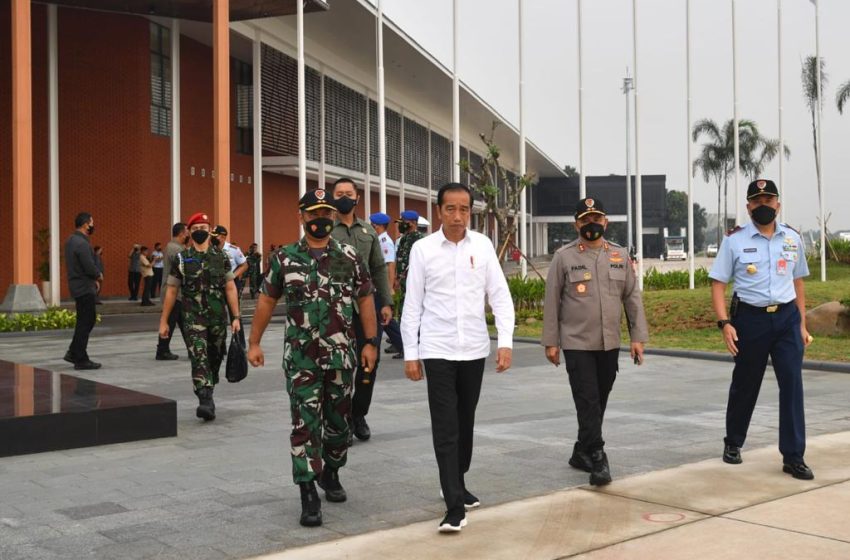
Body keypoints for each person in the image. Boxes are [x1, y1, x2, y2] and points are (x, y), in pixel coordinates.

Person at [247, 189, 378, 528]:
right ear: (301, 216)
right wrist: (254, 342)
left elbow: (365, 300)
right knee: (305, 426)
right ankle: (307, 492)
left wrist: (371, 343)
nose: (321, 219)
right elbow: (265, 301)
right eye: (314, 213)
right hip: (302, 360)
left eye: (326, 213)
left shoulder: (349, 256)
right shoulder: (284, 259)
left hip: (340, 358)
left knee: (338, 426)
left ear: (333, 217)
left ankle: (331, 472)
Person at [401, 182, 514, 533]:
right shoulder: (422, 249)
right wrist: (411, 353)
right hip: (437, 349)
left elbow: (500, 295)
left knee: (465, 423)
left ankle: (457, 481)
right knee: (446, 427)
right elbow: (412, 303)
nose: (457, 215)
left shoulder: (481, 246)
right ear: (439, 211)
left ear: (470, 212)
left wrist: (506, 342)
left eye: (464, 209)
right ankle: (453, 506)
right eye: (450, 208)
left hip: (474, 349)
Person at [709, 179, 814, 480]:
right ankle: (733, 442)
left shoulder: (792, 239)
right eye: (757, 201)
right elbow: (718, 283)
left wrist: (802, 324)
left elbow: (798, 283)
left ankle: (794, 456)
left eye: (769, 200)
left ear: (778, 204)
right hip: (750, 320)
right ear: (748, 207)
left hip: (786, 320)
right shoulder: (735, 240)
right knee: (746, 382)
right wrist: (724, 323)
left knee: (792, 385)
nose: (763, 206)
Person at [541, 197, 649, 486]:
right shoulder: (563, 257)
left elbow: (632, 298)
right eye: (585, 220)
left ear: (606, 221)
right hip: (576, 342)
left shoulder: (619, 255)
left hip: (609, 342)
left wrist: (637, 337)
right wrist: (551, 341)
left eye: (596, 219)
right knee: (587, 398)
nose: (592, 225)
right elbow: (551, 301)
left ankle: (581, 449)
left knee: (598, 399)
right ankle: (598, 456)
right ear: (576, 224)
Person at [158, 212, 241, 421]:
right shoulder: (182, 259)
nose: (200, 233)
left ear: (210, 230)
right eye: (195, 230)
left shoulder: (220, 257)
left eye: (203, 229)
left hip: (217, 318)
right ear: (189, 232)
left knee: (214, 356)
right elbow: (171, 290)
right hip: (192, 318)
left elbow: (230, 288)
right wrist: (164, 321)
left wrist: (236, 317)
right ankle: (205, 398)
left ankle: (209, 388)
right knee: (198, 356)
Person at [330, 178, 393, 443]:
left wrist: (387, 302)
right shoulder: (325, 230)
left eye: (349, 193)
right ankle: (339, 421)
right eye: (339, 193)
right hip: (334, 308)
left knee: (370, 362)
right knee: (337, 366)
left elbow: (378, 268)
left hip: (366, 306)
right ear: (333, 198)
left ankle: (358, 413)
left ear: (357, 198)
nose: (344, 197)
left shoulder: (368, 232)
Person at [63, 212, 103, 370]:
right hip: (84, 287)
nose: (93, 225)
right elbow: (87, 264)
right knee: (86, 321)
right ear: (86, 224)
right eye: (92, 222)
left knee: (85, 320)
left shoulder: (71, 240)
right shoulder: (81, 243)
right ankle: (79, 357)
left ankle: (74, 352)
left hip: (78, 285)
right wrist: (98, 275)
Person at [370, 212, 405, 358]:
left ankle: (403, 346)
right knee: (385, 320)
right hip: (378, 286)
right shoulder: (379, 239)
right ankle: (403, 346)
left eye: (372, 224)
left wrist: (389, 287)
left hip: (381, 287)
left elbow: (390, 265)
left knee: (385, 320)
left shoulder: (384, 242)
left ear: (377, 226)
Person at [155, 222, 189, 361]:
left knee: (183, 322)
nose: (189, 234)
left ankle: (190, 349)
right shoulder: (175, 249)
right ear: (181, 233)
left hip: (177, 292)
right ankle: (162, 351)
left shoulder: (176, 247)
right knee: (170, 320)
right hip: (173, 292)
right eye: (187, 231)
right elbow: (185, 268)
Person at [395, 209, 425, 330]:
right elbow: (400, 258)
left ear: (412, 223)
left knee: (411, 307)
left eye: (404, 221)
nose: (401, 224)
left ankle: (413, 334)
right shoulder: (404, 238)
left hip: (412, 280)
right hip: (402, 280)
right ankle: (401, 336)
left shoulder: (419, 239)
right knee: (402, 306)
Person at [212, 225, 248, 298]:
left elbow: (244, 265)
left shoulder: (233, 250)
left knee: (232, 307)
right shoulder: (210, 249)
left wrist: (232, 276)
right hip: (215, 284)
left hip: (231, 283)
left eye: (215, 236)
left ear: (223, 237)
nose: (212, 238)